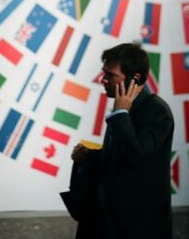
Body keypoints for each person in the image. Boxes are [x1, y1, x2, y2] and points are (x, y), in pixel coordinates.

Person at [69, 42, 174, 239]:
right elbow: (118, 158)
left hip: (137, 228)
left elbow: (136, 155)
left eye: (110, 75)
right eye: (104, 73)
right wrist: (88, 157)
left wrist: (120, 114)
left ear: (134, 78)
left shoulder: (157, 111)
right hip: (107, 222)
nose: (103, 80)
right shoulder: (123, 109)